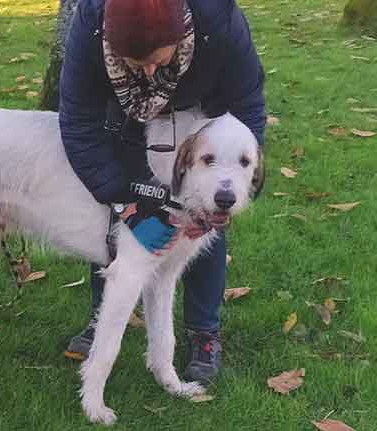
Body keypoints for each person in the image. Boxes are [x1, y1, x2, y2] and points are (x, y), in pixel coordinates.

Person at [59, 0, 266, 384]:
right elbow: (77, 121)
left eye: (157, 58)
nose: (150, 71)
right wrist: (123, 199)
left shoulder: (217, 19)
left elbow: (249, 106)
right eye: (136, 62)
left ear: (180, 34)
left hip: (205, 113)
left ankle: (204, 330)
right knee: (119, 223)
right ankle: (102, 314)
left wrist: (230, 184)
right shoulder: (89, 25)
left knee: (205, 213)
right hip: (122, 116)